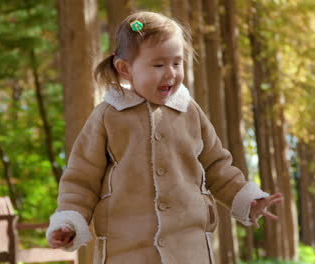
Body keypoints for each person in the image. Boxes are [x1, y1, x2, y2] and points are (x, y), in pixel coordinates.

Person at [46, 11, 283, 264]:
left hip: (189, 248)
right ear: (125, 69)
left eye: (177, 63)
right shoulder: (108, 115)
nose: (170, 73)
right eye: (159, 65)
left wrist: (246, 199)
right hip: (126, 249)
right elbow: (82, 178)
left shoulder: (189, 111)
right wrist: (70, 220)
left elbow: (216, 166)